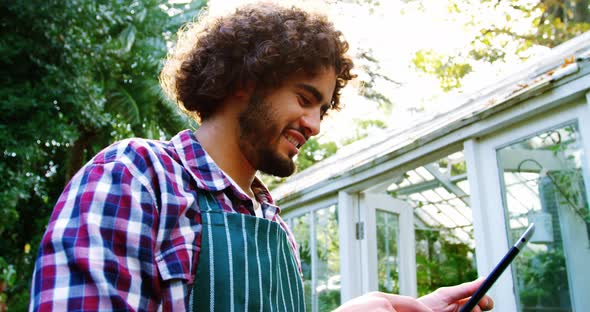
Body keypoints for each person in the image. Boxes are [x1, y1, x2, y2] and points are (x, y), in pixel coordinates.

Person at [30, 2, 494, 311]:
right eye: (305, 97)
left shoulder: (275, 227)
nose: (314, 124)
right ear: (246, 80)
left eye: (323, 109)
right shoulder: (135, 177)